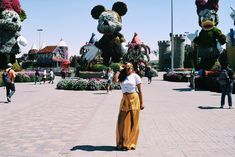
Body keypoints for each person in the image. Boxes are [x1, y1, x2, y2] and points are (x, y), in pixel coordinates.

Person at [113, 62, 144, 151]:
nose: (128, 69)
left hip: (134, 99)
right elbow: (115, 81)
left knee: (133, 122)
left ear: (132, 68)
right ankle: (121, 142)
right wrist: (118, 71)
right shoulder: (122, 76)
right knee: (120, 121)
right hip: (124, 99)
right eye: (126, 67)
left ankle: (129, 143)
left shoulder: (135, 76)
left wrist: (142, 103)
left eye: (129, 67)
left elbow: (140, 91)